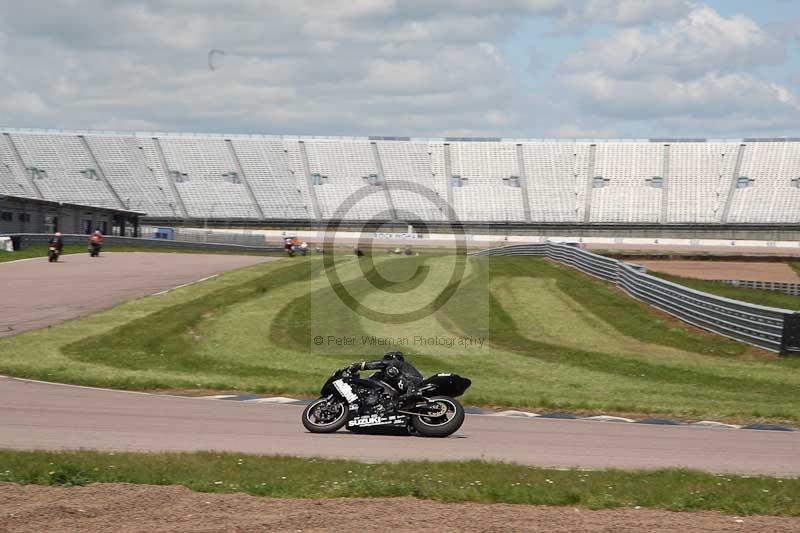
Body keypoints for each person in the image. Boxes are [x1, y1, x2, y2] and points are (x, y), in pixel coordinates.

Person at [343, 351, 423, 398]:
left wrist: (358, 366)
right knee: (377, 376)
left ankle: (410, 389)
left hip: (412, 383)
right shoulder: (402, 368)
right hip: (403, 391)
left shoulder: (395, 363)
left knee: (389, 372)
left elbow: (379, 364)